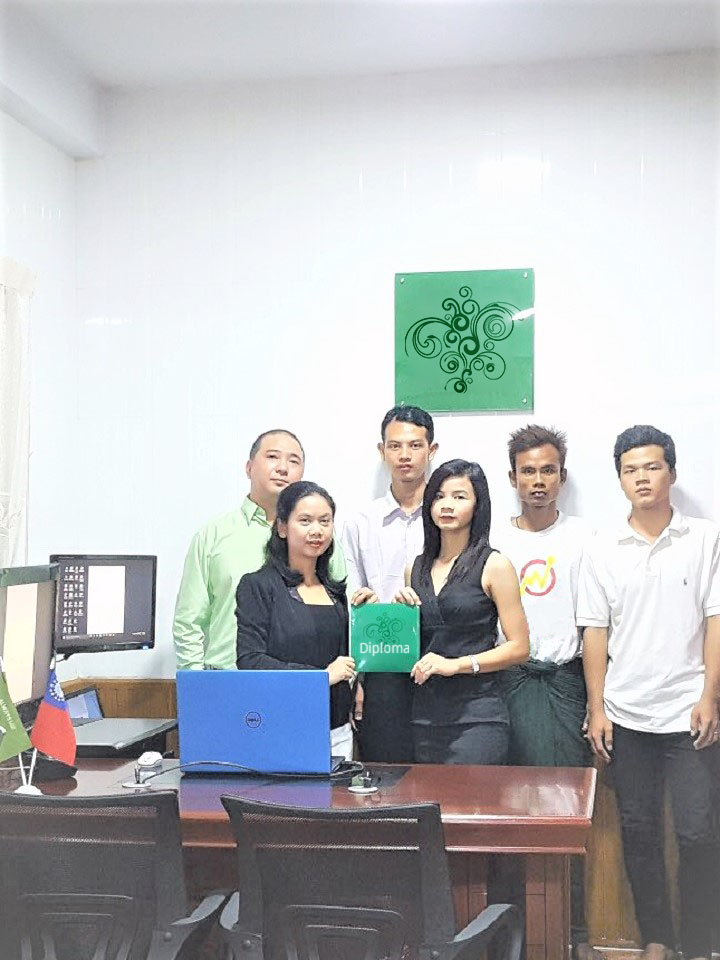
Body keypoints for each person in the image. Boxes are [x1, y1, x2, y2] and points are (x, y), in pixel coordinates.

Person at [579, 425, 720, 960]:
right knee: (638, 834)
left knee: (699, 833)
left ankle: (703, 941)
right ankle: (656, 937)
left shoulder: (704, 538)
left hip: (689, 713)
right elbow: (595, 631)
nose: (642, 477)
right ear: (619, 478)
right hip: (626, 712)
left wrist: (710, 695)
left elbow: (715, 620)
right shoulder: (601, 547)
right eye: (631, 469)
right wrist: (596, 707)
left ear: (672, 473)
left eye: (652, 466)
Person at [494, 424, 598, 960]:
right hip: (505, 685)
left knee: (565, 810)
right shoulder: (493, 537)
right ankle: (510, 927)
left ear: (562, 475)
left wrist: (596, 700)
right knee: (505, 807)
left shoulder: (584, 536)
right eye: (527, 471)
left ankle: (569, 931)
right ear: (512, 477)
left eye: (548, 470)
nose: (538, 480)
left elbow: (601, 620)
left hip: (564, 682)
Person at [173, 429, 347, 671]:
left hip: (306, 683)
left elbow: (340, 606)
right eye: (273, 457)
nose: (283, 468)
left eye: (294, 461)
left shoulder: (321, 542)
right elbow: (188, 621)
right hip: (228, 679)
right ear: (249, 467)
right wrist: (197, 684)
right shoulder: (213, 536)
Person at [394, 459, 529, 764]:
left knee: (472, 807)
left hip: (477, 715)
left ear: (477, 506)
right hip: (424, 715)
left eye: (459, 497)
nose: (447, 505)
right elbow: (411, 647)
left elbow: (520, 648)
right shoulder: (413, 569)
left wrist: (457, 664)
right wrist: (389, 613)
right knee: (429, 809)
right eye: (439, 496)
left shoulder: (495, 565)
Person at [235, 481, 376, 759]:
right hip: (281, 726)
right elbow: (250, 659)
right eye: (305, 521)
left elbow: (346, 659)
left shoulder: (336, 591)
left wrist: (369, 620)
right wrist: (320, 678)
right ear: (283, 527)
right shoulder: (258, 585)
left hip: (336, 729)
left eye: (325, 521)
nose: (317, 530)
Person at [342, 404, 438, 762]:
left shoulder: (450, 514)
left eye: (415, 445)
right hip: (383, 665)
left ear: (432, 451)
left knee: (443, 780)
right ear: (382, 451)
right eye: (395, 446)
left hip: (439, 660)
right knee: (385, 773)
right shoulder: (359, 522)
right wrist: (359, 680)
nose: (404, 455)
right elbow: (352, 603)